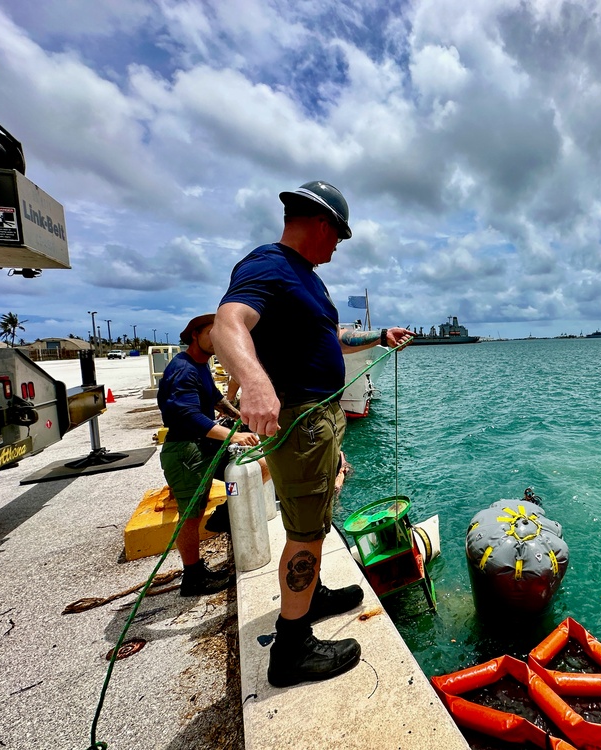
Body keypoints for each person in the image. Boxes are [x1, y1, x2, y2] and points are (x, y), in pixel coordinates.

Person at [211, 180, 414, 688]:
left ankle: (312, 592)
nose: (336, 249)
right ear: (323, 225)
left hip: (318, 423)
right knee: (304, 528)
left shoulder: (306, 280)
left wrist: (378, 334)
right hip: (301, 424)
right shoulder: (270, 265)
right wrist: (256, 383)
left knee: (314, 518)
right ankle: (293, 646)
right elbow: (227, 322)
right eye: (338, 238)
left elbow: (333, 338)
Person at [157, 313, 261, 596]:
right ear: (195, 335)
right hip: (185, 449)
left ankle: (225, 514)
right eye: (211, 333)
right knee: (190, 515)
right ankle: (192, 577)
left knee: (262, 465)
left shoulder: (201, 365)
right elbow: (188, 415)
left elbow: (215, 398)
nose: (217, 339)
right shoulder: (183, 369)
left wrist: (240, 416)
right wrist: (234, 435)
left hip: (203, 444)